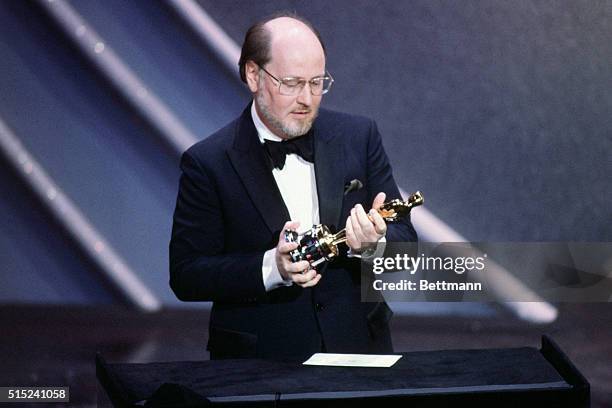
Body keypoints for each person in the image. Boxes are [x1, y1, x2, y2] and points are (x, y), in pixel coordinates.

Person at [169, 13, 417, 360]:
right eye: (292, 82)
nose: (307, 99)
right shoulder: (208, 161)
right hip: (259, 363)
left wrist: (373, 245)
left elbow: (407, 246)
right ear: (253, 75)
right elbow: (186, 275)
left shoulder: (359, 137)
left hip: (360, 350)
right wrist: (273, 267)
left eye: (317, 82)